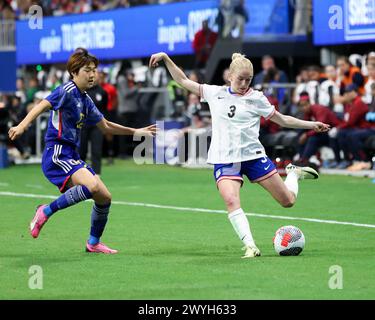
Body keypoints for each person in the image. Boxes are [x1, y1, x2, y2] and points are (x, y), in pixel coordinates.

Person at [149, 52, 330, 258]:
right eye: (240, 79)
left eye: (248, 79)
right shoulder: (214, 92)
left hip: (253, 157)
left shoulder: (257, 98)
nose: (244, 84)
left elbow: (282, 120)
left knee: (287, 201)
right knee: (231, 200)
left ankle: (293, 174)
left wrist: (311, 125)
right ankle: (250, 246)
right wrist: (165, 57)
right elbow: (182, 80)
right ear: (230, 76)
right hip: (225, 159)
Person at [8, 48, 156, 254]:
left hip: (72, 155)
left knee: (104, 197)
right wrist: (22, 126)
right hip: (57, 153)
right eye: (88, 70)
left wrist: (135, 131)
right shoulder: (66, 91)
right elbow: (42, 105)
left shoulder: (85, 99)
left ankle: (93, 243)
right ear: (74, 72)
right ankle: (45, 210)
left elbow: (105, 126)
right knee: (92, 185)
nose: (93, 74)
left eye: (94, 70)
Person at [79, 71, 108, 175]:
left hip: (97, 126)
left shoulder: (102, 92)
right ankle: (80, 172)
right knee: (82, 150)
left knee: (96, 150)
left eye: (96, 75)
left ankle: (97, 174)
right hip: (83, 124)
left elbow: (104, 109)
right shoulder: (83, 91)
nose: (94, 77)